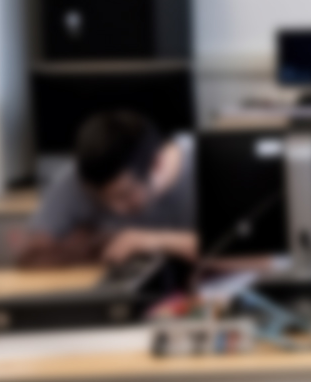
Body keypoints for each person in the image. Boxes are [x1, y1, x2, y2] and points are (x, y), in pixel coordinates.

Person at [19, 110, 197, 267]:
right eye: (99, 198)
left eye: (124, 195)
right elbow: (28, 257)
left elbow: (223, 255)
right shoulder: (78, 178)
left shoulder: (200, 160)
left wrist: (144, 241)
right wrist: (89, 248)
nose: (115, 209)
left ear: (157, 163)